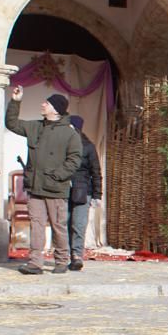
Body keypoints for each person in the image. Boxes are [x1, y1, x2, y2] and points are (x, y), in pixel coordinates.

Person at [6, 87, 83, 275]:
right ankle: (35, 263)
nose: (42, 104)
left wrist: (57, 175)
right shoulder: (35, 127)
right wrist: (16, 101)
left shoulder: (70, 134)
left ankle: (62, 261)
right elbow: (12, 123)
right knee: (37, 225)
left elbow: (74, 159)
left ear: (56, 109)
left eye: (46, 103)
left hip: (56, 188)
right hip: (35, 187)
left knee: (58, 227)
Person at [66, 115, 102, 271]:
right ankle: (67, 254)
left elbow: (96, 171)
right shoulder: (62, 146)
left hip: (83, 190)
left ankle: (77, 256)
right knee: (64, 223)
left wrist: (97, 195)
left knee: (78, 224)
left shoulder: (88, 147)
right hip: (64, 189)